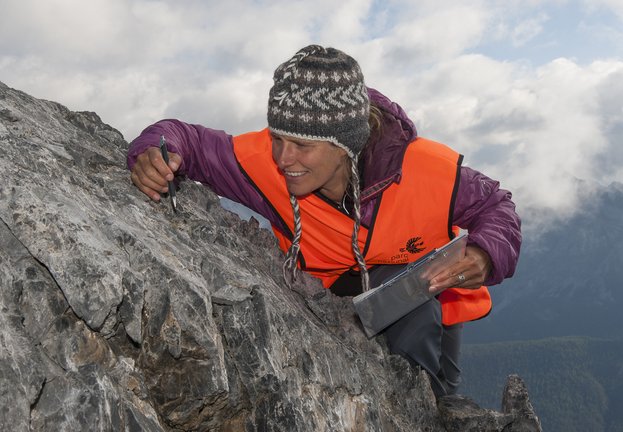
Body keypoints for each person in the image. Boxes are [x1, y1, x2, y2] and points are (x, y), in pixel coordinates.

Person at [127, 45, 522, 397]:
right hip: (329, 295)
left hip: (424, 294)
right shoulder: (266, 165)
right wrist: (154, 152)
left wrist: (485, 254)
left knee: (437, 391)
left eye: (301, 145)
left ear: (345, 144)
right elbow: (185, 139)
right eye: (279, 138)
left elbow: (496, 207)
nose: (283, 158)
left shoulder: (424, 170)